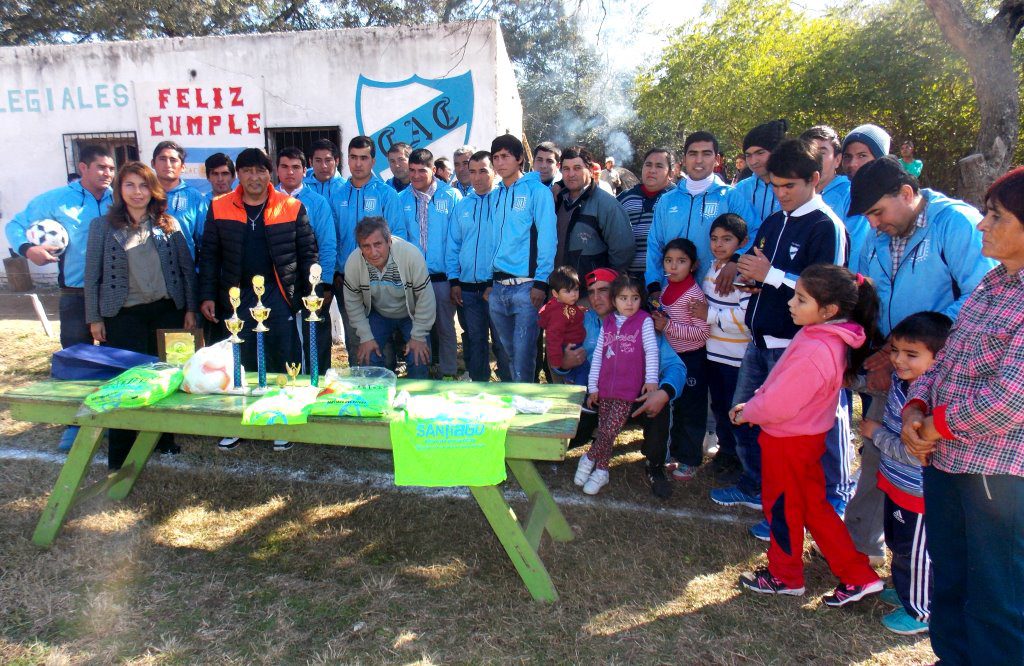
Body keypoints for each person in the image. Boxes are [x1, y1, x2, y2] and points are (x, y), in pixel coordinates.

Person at [901, 167, 1024, 665]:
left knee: (996, 595)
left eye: (996, 216)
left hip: (998, 476)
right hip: (947, 463)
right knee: (951, 580)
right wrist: (915, 409)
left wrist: (934, 426)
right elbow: (945, 361)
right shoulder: (993, 284)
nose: (981, 225)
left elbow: (1011, 399)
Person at [845, 155, 993, 564]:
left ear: (907, 193)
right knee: (881, 451)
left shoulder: (956, 223)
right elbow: (867, 293)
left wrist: (909, 346)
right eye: (868, 216)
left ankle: (928, 561)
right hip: (895, 362)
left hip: (946, 372)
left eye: (878, 212)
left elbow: (982, 297)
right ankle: (863, 545)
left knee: (926, 464)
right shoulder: (878, 232)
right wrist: (878, 349)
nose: (874, 224)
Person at [713, 138, 852, 541]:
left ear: (814, 179)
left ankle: (820, 503)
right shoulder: (775, 221)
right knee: (745, 416)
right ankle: (756, 485)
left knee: (797, 434)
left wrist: (770, 276)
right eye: (775, 186)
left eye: (789, 185)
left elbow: (829, 292)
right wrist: (752, 279)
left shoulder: (826, 225)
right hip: (758, 340)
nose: (781, 193)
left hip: (799, 347)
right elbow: (765, 273)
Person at [735, 264, 884, 606]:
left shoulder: (818, 347)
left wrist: (750, 411)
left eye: (801, 299)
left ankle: (785, 576)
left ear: (829, 310)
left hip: (788, 441)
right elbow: (782, 385)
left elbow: (781, 402)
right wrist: (757, 402)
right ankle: (858, 575)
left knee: (782, 507)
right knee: (813, 508)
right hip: (802, 438)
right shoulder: (819, 335)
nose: (791, 303)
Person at [198, 148, 318, 451]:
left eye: (260, 170)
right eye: (248, 171)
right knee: (239, 360)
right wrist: (208, 295)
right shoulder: (219, 207)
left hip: (279, 294)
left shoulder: (291, 206)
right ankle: (237, 423)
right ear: (238, 174)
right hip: (237, 297)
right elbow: (210, 256)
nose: (254, 177)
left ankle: (281, 421)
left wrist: (308, 292)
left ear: (270, 173)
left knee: (283, 357)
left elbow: (307, 254)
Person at [84, 161, 196, 469]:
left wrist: (190, 309)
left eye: (143, 185)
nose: (137, 192)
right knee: (127, 382)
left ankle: (164, 440)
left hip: (166, 311)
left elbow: (186, 269)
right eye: (130, 185)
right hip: (123, 315)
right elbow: (92, 275)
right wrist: (94, 317)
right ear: (120, 190)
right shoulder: (102, 227)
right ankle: (121, 452)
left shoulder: (167, 224)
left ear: (153, 190)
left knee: (163, 377)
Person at [5, 144, 115, 451]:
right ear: (83, 168)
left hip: (113, 293)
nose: (107, 173)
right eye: (101, 167)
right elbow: (15, 224)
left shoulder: (118, 199)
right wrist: (29, 250)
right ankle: (75, 423)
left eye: (111, 168)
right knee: (78, 359)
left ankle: (113, 419)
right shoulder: (56, 200)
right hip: (75, 293)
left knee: (114, 357)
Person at [558, 268, 686, 499]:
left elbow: (676, 367)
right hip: (599, 395)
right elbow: (560, 358)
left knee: (659, 405)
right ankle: (592, 458)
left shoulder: (644, 323)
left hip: (636, 395)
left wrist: (664, 391)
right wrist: (564, 363)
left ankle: (655, 466)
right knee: (567, 438)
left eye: (603, 291)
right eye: (591, 292)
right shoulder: (582, 321)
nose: (596, 298)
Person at [860, 311, 951, 635]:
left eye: (911, 354)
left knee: (918, 553)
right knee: (900, 544)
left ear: (940, 359)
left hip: (918, 493)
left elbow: (914, 453)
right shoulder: (902, 383)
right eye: (896, 350)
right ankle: (905, 589)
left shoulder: (935, 399)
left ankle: (921, 611)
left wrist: (876, 434)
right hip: (896, 484)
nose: (898, 360)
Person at [576, 274, 659, 495]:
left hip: (627, 389)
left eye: (634, 298)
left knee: (609, 430)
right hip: (605, 388)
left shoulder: (644, 321)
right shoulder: (609, 322)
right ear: (614, 300)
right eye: (623, 298)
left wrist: (651, 380)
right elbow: (599, 356)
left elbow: (651, 351)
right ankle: (602, 471)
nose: (629, 303)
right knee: (605, 429)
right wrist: (593, 387)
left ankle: (589, 457)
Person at [488, 134, 556, 383]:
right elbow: (493, 241)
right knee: (507, 354)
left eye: (505, 156)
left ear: (519, 159)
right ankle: (515, 399)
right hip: (498, 287)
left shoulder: (537, 192)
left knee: (524, 355)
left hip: (526, 288)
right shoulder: (496, 195)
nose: (499, 162)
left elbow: (548, 239)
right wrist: (489, 281)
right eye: (496, 157)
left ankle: (525, 401)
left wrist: (541, 282)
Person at [332, 135, 404, 364]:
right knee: (355, 339)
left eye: (364, 158)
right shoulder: (338, 195)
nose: (358, 163)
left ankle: (386, 381)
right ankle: (358, 383)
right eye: (353, 157)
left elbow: (397, 237)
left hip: (380, 280)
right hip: (347, 281)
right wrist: (335, 273)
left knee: (383, 341)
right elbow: (332, 239)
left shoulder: (386, 194)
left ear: (373, 161)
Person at [645, 131, 741, 301]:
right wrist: (653, 283)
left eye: (706, 154)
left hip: (717, 294)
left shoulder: (730, 197)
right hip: (672, 296)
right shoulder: (667, 200)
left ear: (717, 159)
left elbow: (753, 234)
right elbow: (655, 244)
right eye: (693, 154)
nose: (698, 160)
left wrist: (735, 262)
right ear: (684, 159)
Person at [395, 148, 462, 378]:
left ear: (433, 170)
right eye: (412, 170)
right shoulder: (401, 198)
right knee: (418, 329)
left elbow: (456, 239)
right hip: (414, 279)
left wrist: (454, 278)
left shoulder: (451, 196)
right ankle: (422, 375)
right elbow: (399, 240)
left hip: (442, 277)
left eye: (421, 171)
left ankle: (448, 372)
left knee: (445, 327)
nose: (415, 176)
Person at [342, 217, 435, 378]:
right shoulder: (353, 262)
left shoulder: (411, 255)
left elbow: (425, 299)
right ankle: (377, 393)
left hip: (411, 314)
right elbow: (352, 303)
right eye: (366, 246)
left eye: (378, 244)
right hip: (379, 313)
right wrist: (365, 337)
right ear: (360, 247)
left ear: (389, 241)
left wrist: (419, 336)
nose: (373, 252)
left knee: (418, 357)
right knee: (368, 357)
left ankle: (416, 393)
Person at [447, 150, 510, 382]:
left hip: (497, 287)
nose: (477, 177)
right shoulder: (462, 206)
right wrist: (454, 281)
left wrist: (495, 281)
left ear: (494, 172)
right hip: (467, 288)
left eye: (483, 171)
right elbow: (453, 245)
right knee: (475, 341)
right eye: (472, 171)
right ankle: (479, 388)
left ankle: (508, 388)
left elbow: (508, 245)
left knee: (502, 342)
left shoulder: (503, 202)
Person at [652, 238, 710, 480]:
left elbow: (702, 333)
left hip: (692, 359)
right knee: (676, 407)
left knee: (691, 410)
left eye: (681, 261)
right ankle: (676, 453)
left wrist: (667, 326)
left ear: (693, 265)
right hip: (673, 359)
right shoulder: (667, 288)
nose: (673, 266)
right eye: (669, 260)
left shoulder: (694, 296)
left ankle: (690, 459)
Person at [276, 147, 337, 373]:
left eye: (295, 167)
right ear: (277, 170)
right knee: (282, 339)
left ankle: (318, 383)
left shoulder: (317, 202)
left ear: (304, 171)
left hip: (311, 282)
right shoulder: (269, 200)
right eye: (284, 167)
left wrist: (325, 283)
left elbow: (327, 245)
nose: (290, 172)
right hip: (277, 282)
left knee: (316, 339)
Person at [702, 213, 751, 480]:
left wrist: (709, 316)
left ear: (742, 242)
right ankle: (726, 451)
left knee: (736, 408)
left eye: (727, 239)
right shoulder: (712, 268)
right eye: (714, 238)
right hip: (713, 352)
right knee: (720, 406)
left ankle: (741, 458)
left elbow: (746, 318)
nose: (719, 244)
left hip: (735, 356)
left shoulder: (742, 274)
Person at [554, 145, 634, 280]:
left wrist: (606, 282)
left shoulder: (607, 205)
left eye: (577, 168)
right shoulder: (556, 200)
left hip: (591, 289)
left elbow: (623, 250)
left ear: (590, 170)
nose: (571, 174)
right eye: (566, 169)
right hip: (557, 287)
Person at [801, 125, 871, 273]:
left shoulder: (852, 194)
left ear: (837, 160)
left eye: (822, 152)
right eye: (809, 151)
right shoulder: (793, 194)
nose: (815, 158)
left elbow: (853, 250)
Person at [617, 147, 676, 282]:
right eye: (648, 165)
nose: (652, 170)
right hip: (629, 281)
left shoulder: (678, 199)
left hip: (666, 280)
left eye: (659, 166)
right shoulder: (624, 199)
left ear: (670, 173)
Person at [151, 141, 206, 259]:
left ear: (183, 167)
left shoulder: (194, 197)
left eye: (173, 160)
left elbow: (204, 240)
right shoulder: (144, 194)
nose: (168, 164)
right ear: (153, 163)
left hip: (184, 266)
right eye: (162, 159)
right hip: (150, 267)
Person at [731, 119, 788, 231]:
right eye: (748, 155)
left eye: (760, 153)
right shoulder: (740, 190)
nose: (753, 161)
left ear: (776, 152)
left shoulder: (793, 188)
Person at [539, 266, 588, 386]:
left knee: (580, 372)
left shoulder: (565, 304)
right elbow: (553, 337)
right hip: (569, 347)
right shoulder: (557, 314)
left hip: (574, 345)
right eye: (567, 291)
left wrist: (578, 311)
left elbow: (569, 313)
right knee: (583, 372)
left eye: (576, 289)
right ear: (555, 293)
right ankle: (580, 393)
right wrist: (556, 362)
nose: (573, 295)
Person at [303, 139, 348, 209]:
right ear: (311, 162)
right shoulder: (301, 188)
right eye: (318, 161)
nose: (323, 166)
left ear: (337, 161)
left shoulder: (347, 188)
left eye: (328, 160)